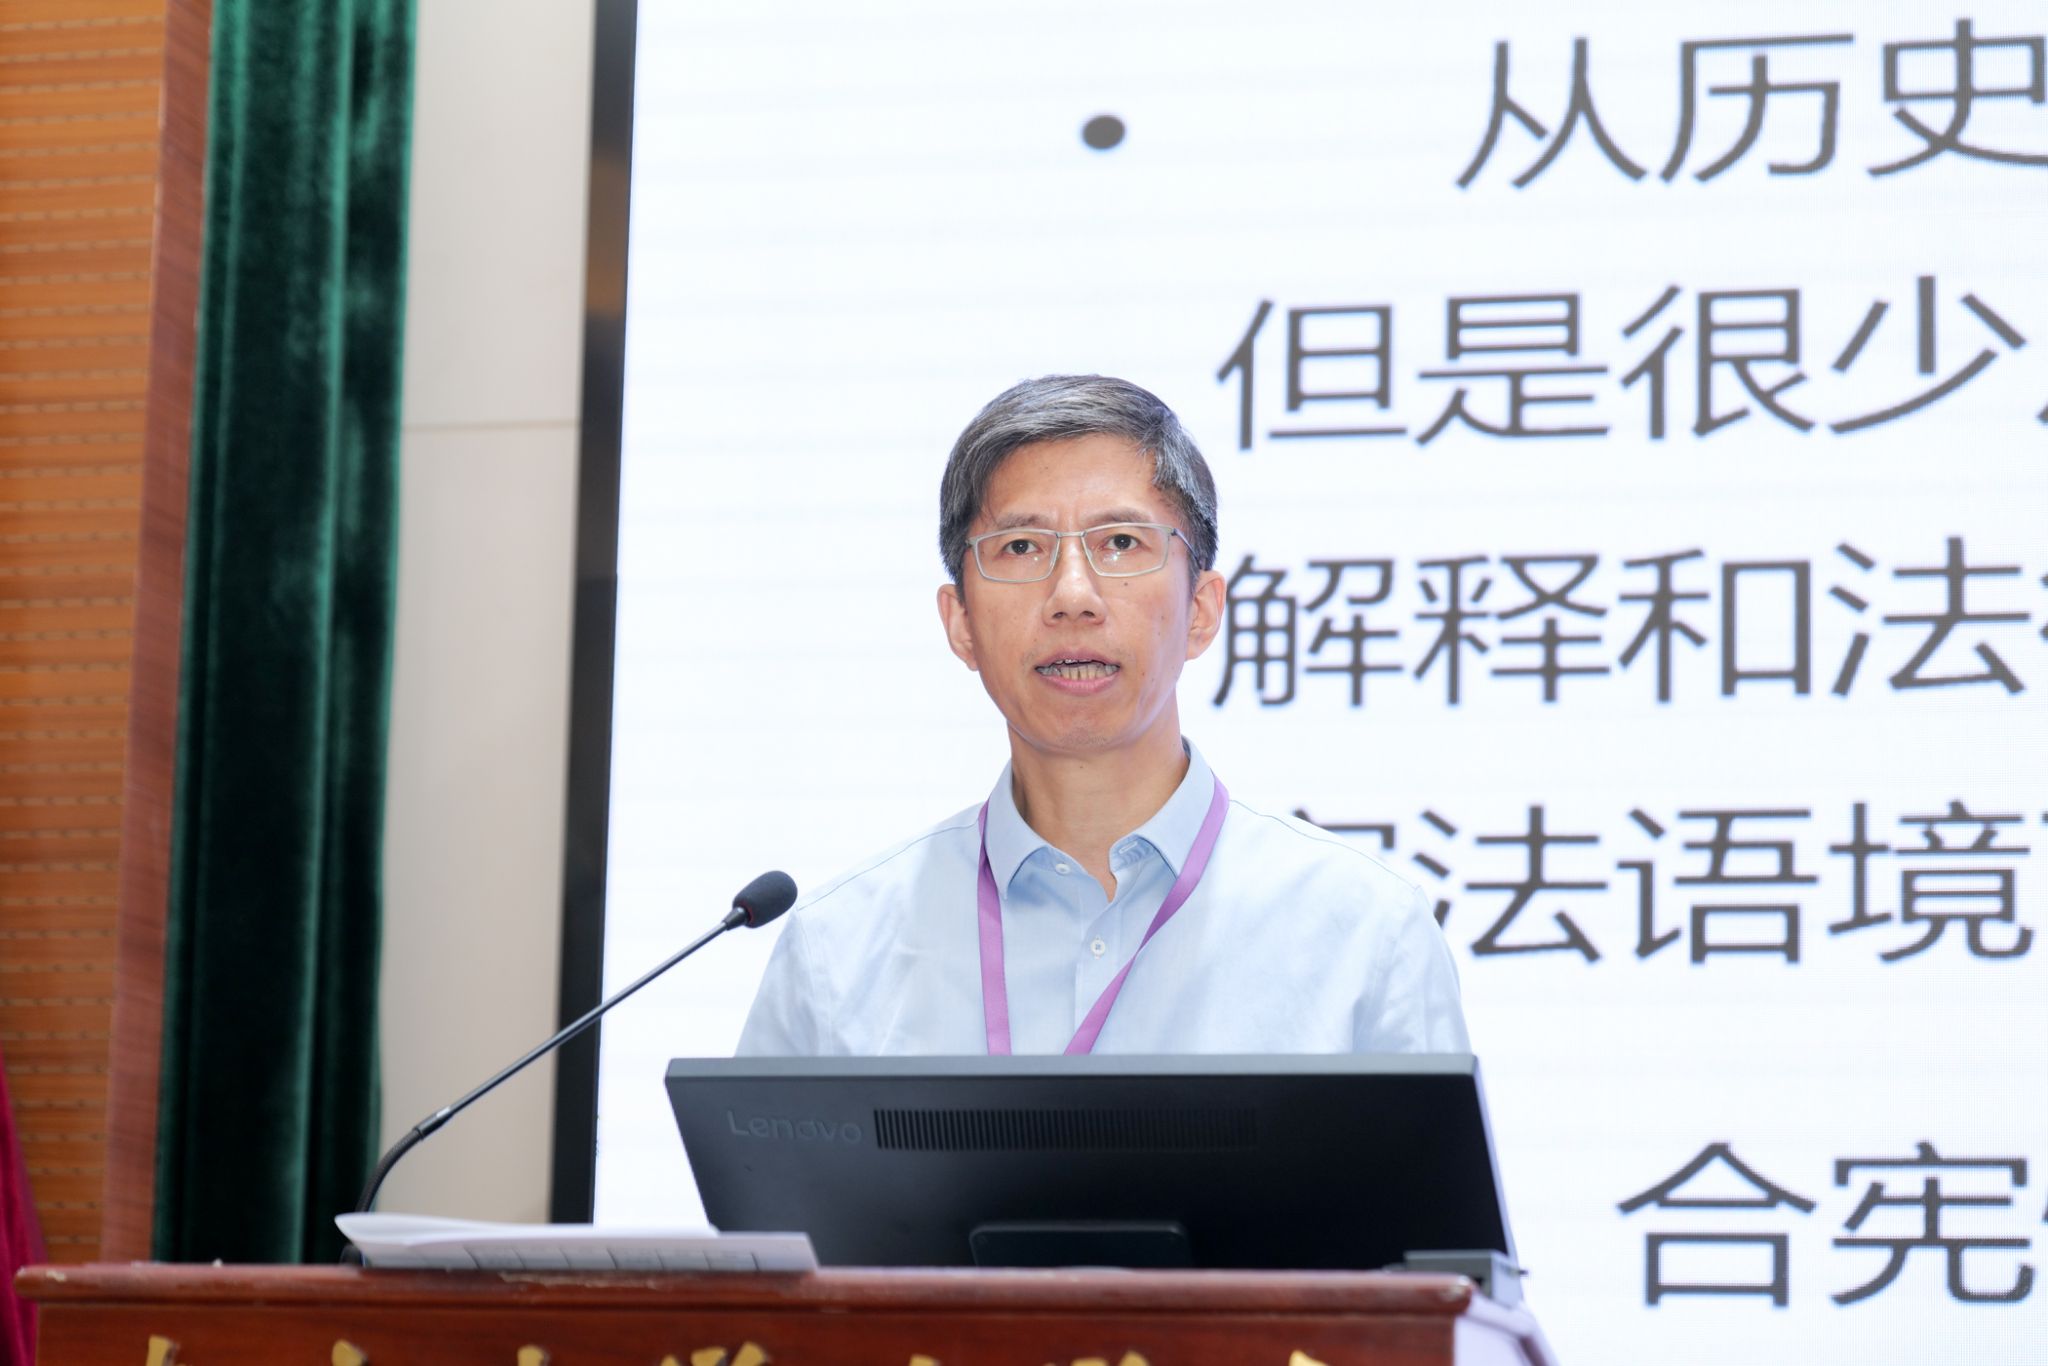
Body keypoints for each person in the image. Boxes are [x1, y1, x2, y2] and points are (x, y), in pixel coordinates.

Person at [737, 375, 1468, 1056]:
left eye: (1120, 543)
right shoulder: (835, 955)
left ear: (1202, 610)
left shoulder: (1366, 936)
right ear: (960, 623)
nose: (1073, 597)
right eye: (1021, 547)